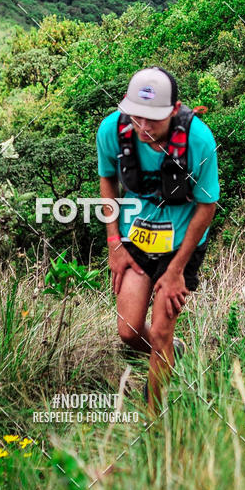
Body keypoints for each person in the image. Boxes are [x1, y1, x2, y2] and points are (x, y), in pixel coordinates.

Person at [96, 67, 219, 416]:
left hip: (181, 243)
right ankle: (168, 353)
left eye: (153, 118)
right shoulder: (112, 130)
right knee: (128, 331)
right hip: (135, 236)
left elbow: (207, 206)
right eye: (137, 116)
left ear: (174, 110)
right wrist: (114, 243)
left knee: (162, 331)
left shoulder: (198, 140)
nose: (143, 127)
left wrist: (177, 270)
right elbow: (108, 181)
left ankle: (154, 420)